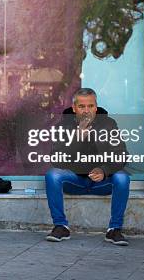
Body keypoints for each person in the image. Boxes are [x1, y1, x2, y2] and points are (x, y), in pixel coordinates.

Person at [44, 88, 131, 246]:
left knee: (123, 177)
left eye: (90, 106)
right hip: (75, 182)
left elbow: (121, 155)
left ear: (96, 108)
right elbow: (57, 159)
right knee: (52, 175)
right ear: (74, 108)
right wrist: (77, 138)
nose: (86, 111)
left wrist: (104, 170)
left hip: (101, 183)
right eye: (82, 107)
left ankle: (115, 229)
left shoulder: (108, 124)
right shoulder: (63, 125)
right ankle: (60, 226)